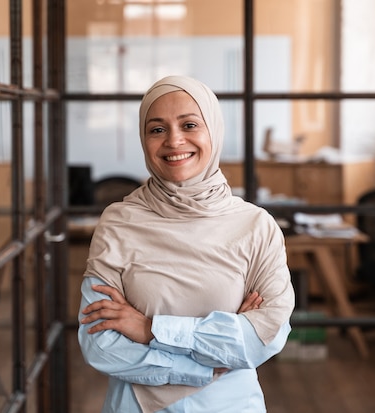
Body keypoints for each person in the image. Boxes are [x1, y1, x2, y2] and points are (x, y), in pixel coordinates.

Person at [78, 75, 295, 413]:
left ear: (213, 130)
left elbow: (265, 336)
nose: (174, 141)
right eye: (157, 129)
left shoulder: (256, 226)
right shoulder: (118, 223)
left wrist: (149, 329)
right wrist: (206, 362)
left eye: (190, 124)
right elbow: (100, 345)